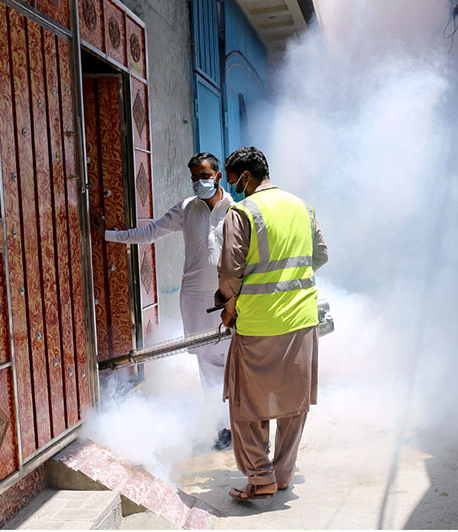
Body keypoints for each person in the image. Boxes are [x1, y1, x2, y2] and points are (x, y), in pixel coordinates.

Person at [216, 146, 328, 500]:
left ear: (246, 176)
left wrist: (229, 305)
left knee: (245, 404)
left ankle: (260, 477)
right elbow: (320, 254)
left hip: (259, 324)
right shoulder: (301, 206)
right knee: (294, 401)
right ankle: (281, 475)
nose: (233, 188)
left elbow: (229, 273)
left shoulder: (242, 212)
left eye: (234, 181)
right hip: (302, 320)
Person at [104, 152, 235, 450]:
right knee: (208, 365)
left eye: (203, 176)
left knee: (234, 361)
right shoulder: (187, 208)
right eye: (193, 177)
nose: (198, 183)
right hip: (196, 301)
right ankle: (221, 427)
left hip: (229, 299)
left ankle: (240, 421)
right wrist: (108, 236)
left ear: (218, 175)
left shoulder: (237, 211)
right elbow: (151, 232)